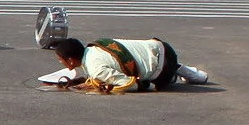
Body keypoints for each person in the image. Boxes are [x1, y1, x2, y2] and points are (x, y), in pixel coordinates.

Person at [45, 37, 208, 93]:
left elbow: (129, 84)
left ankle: (175, 74)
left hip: (162, 70)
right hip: (163, 47)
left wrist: (147, 85)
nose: (60, 62)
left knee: (164, 78)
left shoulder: (95, 69)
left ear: (72, 61)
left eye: (61, 59)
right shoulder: (96, 46)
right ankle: (190, 73)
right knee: (152, 62)